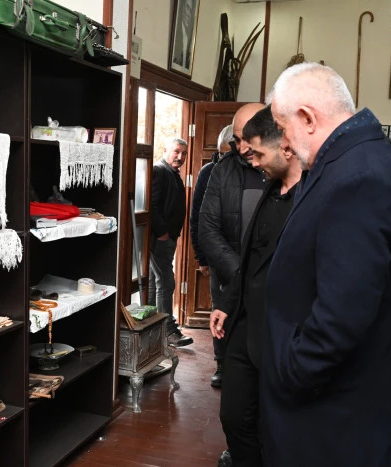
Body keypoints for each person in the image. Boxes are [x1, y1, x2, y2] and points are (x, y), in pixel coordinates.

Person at [262, 62, 391, 466]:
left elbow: (344, 312)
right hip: (334, 404)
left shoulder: (358, 176)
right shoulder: (351, 160)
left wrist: (293, 373)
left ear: (308, 118)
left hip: (335, 412)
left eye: (282, 127)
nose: (284, 143)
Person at [210, 106, 303, 467]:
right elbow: (250, 257)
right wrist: (227, 302)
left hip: (283, 329)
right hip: (244, 322)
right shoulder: (270, 188)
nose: (252, 160)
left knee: (277, 424)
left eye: (259, 153)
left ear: (285, 147)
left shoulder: (313, 193)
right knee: (233, 416)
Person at [199, 102, 265, 467]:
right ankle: (239, 451)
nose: (241, 148)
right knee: (235, 401)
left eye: (246, 139)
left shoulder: (292, 170)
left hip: (275, 300)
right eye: (236, 140)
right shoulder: (222, 171)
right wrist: (242, 276)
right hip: (233, 292)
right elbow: (208, 229)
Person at [189, 124, 233, 387]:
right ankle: (222, 364)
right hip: (217, 257)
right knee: (219, 308)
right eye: (221, 154)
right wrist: (201, 257)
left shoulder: (255, 171)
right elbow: (197, 217)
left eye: (229, 154)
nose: (224, 159)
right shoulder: (208, 172)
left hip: (245, 256)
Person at [148, 138, 193, 347]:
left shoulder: (172, 173)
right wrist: (163, 232)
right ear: (166, 150)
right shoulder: (159, 170)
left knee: (156, 282)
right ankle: (168, 332)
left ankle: (154, 330)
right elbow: (152, 205)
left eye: (184, 153)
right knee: (166, 282)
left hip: (167, 238)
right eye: (177, 151)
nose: (180, 157)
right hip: (160, 238)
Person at [172, 0, 195, 70]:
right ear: (182, 8)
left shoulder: (187, 37)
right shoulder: (176, 30)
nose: (188, 14)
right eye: (187, 7)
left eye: (190, 10)